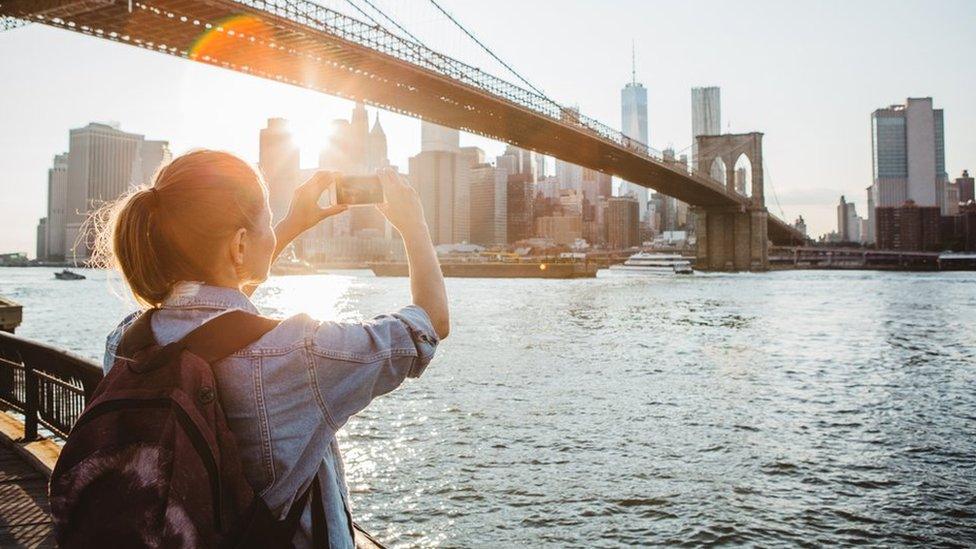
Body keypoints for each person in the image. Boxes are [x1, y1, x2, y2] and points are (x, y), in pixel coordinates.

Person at [93, 149, 449, 547]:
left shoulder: (127, 342)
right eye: (268, 218)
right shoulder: (301, 353)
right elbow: (430, 325)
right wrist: (414, 224)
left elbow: (217, 323)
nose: (274, 230)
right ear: (241, 244)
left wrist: (291, 224)